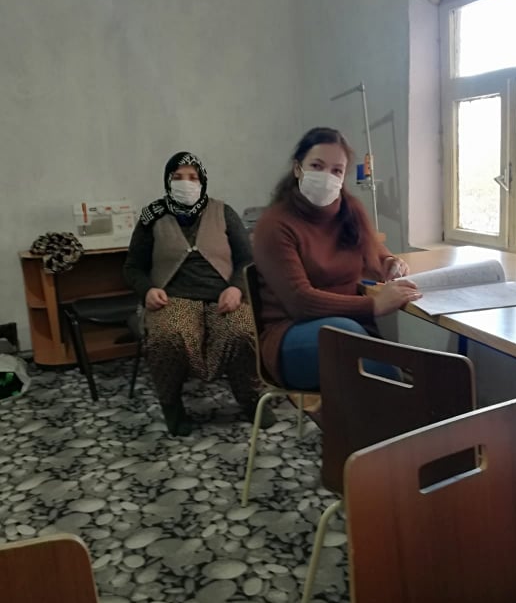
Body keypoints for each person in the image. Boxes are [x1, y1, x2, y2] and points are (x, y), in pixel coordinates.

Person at [252, 126, 422, 391]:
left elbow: (374, 251)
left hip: (349, 328)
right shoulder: (275, 225)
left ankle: (386, 407)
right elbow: (300, 301)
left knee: (381, 364)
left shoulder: (349, 211)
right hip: (292, 334)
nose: (326, 176)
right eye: (317, 166)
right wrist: (373, 305)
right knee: (369, 361)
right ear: (297, 168)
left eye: (336, 171)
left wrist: (390, 262)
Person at [124, 151, 273, 436]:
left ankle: (252, 398)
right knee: (168, 336)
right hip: (173, 299)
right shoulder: (151, 216)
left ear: (202, 181)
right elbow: (132, 267)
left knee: (242, 331)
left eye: (192, 177)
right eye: (178, 177)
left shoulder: (223, 212)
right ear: (167, 180)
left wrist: (236, 287)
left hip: (222, 298)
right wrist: (147, 290)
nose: (186, 183)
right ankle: (172, 404)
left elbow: (247, 259)